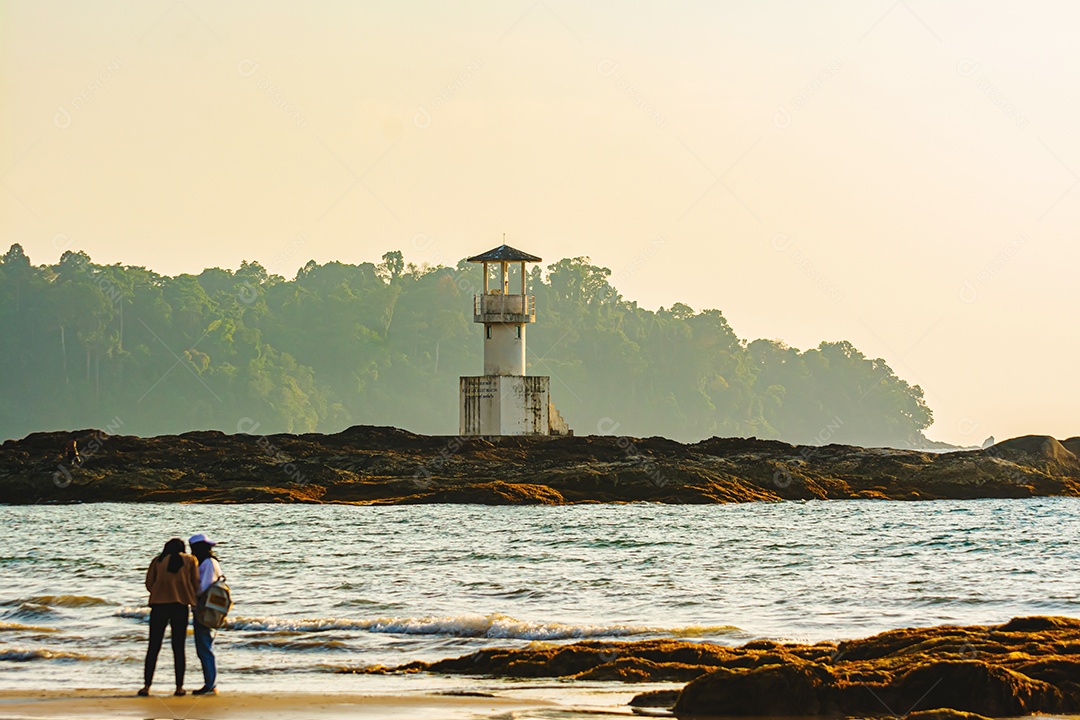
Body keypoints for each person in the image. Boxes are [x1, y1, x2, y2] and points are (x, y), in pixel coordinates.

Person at [139, 538, 199, 697]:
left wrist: (160, 591)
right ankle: (179, 687)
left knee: (153, 647)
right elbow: (196, 583)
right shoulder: (190, 560)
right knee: (178, 648)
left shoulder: (157, 560)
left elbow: (149, 584)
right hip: (180, 607)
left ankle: (146, 686)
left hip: (159, 606)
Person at [189, 532, 223, 695]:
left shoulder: (207, 563)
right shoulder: (212, 562)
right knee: (205, 645)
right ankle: (210, 683)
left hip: (204, 608)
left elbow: (202, 587)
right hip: (211, 607)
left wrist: (189, 597)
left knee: (204, 647)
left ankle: (210, 684)